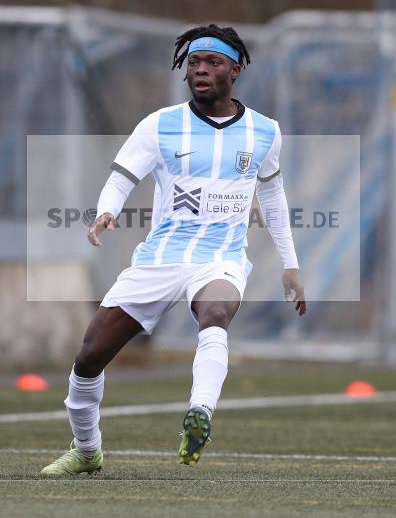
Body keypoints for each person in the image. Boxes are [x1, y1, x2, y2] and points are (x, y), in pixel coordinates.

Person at [40, 24, 306, 476]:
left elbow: (274, 197)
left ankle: (200, 412)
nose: (200, 70)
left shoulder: (266, 132)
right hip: (160, 257)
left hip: (220, 257)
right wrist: (107, 210)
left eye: (212, 63)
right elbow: (123, 176)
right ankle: (87, 449)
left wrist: (290, 265)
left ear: (234, 70)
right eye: (194, 63)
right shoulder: (160, 124)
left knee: (216, 312)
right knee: (88, 358)